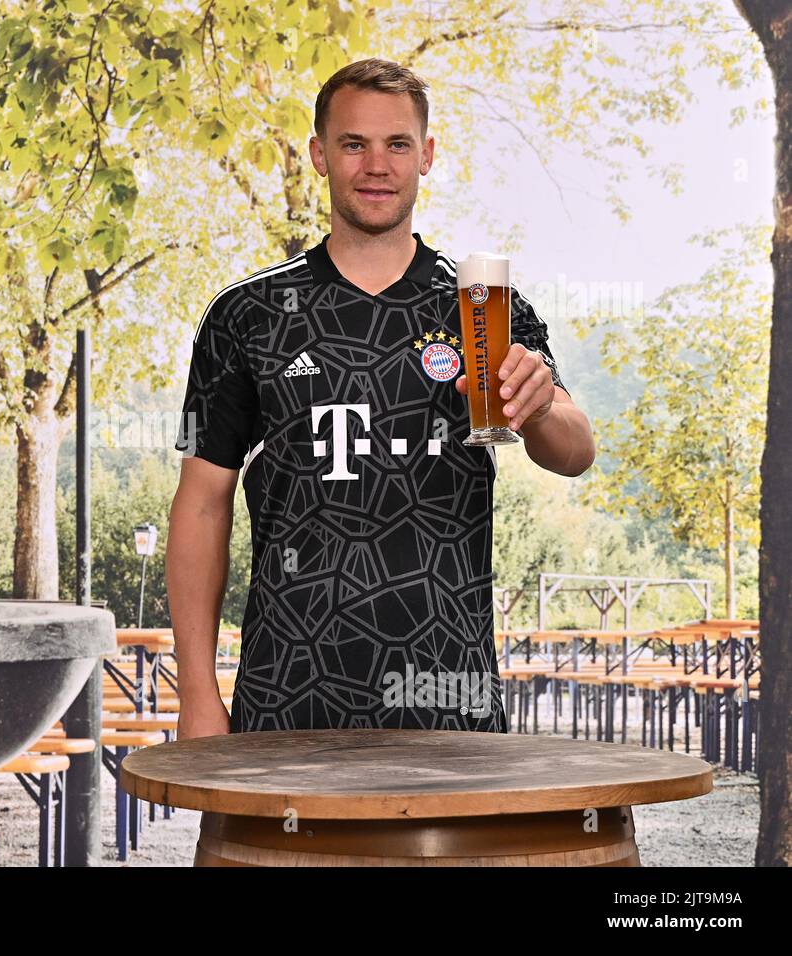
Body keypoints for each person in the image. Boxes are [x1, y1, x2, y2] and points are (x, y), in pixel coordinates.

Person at [168, 57, 596, 739]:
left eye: (397, 144)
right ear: (319, 155)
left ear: (426, 156)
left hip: (450, 691)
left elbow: (575, 452)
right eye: (353, 143)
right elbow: (200, 503)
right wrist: (196, 690)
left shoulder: (484, 308)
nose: (377, 164)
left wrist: (541, 409)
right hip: (288, 689)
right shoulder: (247, 314)